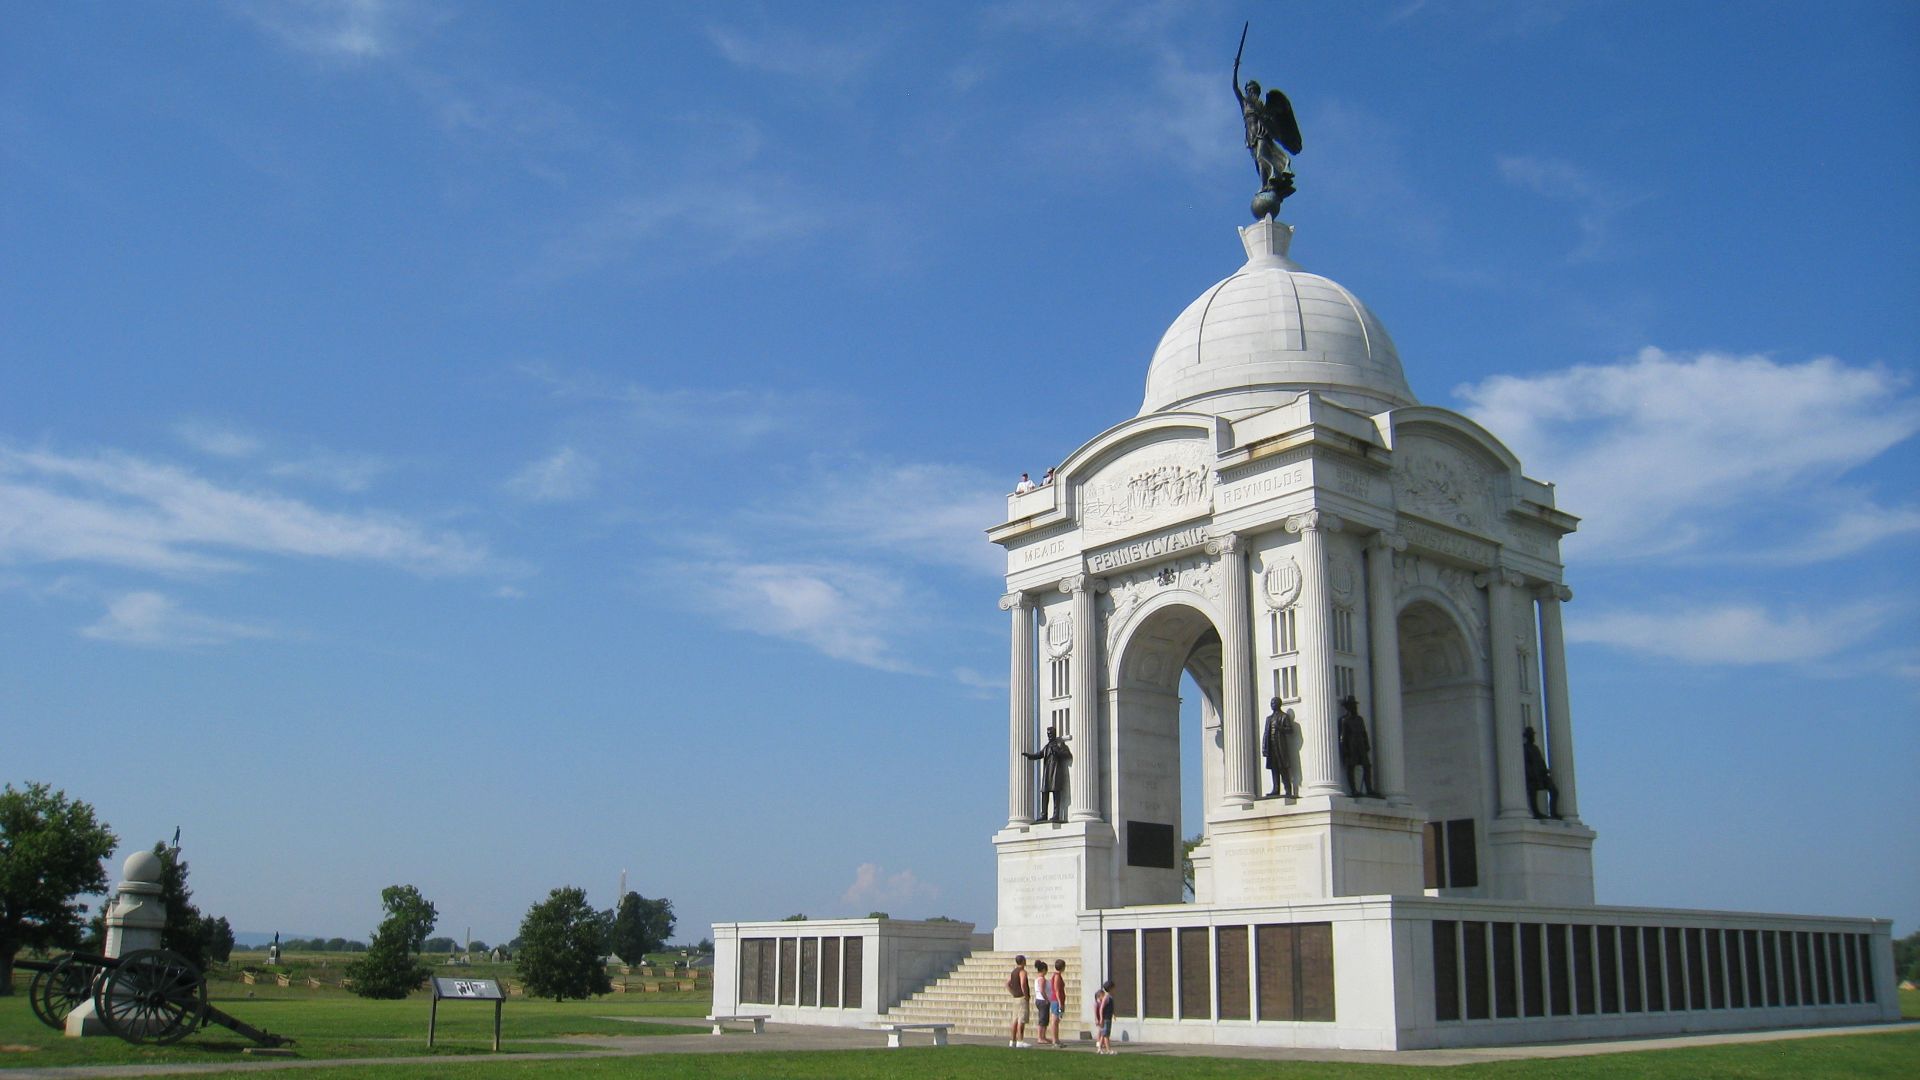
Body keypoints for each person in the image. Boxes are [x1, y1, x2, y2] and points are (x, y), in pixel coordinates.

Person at [1023, 726, 1073, 823]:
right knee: (1044, 792)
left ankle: (1056, 814)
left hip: (1055, 772)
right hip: (1047, 772)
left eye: (1050, 734)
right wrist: (1030, 756)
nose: (1049, 736)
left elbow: (1067, 755)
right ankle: (1044, 814)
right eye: (1048, 734)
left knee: (1055, 793)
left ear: (1054, 734)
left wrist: (1057, 751)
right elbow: (1040, 754)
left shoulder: (1059, 744)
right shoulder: (1047, 746)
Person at [1337, 695, 1379, 798]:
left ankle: (1369, 789)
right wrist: (1345, 750)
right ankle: (1354, 790)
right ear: (1348, 707)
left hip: (1360, 744)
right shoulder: (1344, 720)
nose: (1355, 708)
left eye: (1355, 705)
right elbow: (1343, 736)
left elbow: (1364, 733)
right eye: (1352, 706)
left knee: (1367, 766)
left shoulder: (1359, 719)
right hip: (1352, 745)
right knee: (1351, 767)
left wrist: (1367, 744)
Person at [1523, 726, 1562, 820]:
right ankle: (1536, 813)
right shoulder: (1525, 748)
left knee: (1554, 791)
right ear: (1528, 736)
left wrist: (1545, 770)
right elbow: (1527, 764)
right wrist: (1531, 775)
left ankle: (1553, 813)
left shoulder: (1535, 748)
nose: (1533, 737)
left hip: (1542, 775)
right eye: (1532, 735)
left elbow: (1540, 761)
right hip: (1533, 776)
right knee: (1532, 792)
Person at [1261, 697, 1298, 798]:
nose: (1272, 704)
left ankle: (1288, 789)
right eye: (1271, 703)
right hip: (1271, 746)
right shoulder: (1269, 718)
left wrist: (1280, 728)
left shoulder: (1284, 716)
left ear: (1279, 704)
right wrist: (1264, 748)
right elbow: (1265, 734)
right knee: (1274, 768)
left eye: (1274, 703)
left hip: (1280, 746)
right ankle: (1275, 788)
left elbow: (1290, 730)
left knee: (1283, 767)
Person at [1006, 954, 1031, 1047]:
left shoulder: (1013, 972)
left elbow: (1007, 984)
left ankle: (1012, 1040)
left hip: (1015, 997)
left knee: (1015, 1020)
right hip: (1021, 998)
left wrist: (1012, 992)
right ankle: (1020, 1040)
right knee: (1021, 1019)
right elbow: (1023, 983)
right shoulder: (1022, 971)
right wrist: (1026, 995)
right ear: (1023, 961)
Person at [1030, 961, 1052, 1045]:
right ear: (1043, 970)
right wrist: (1046, 999)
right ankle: (1040, 1037)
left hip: (1041, 1000)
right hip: (1042, 1001)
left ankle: (1043, 1036)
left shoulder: (1038, 979)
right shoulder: (1041, 979)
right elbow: (1042, 990)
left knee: (1045, 1019)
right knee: (1042, 1019)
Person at [1047, 959, 1068, 1046]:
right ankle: (1054, 1040)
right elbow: (1057, 990)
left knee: (1057, 1019)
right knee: (1055, 1020)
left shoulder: (1058, 976)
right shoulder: (1057, 977)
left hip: (1057, 1001)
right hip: (1056, 1001)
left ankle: (1056, 1039)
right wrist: (1060, 1003)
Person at [1094, 979, 1117, 1054]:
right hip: (1106, 1018)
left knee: (1104, 1034)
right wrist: (1101, 1018)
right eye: (1113, 988)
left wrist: (1113, 1014)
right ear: (1110, 988)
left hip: (1108, 1018)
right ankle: (1108, 1049)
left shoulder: (1109, 997)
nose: (1115, 990)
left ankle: (1099, 1048)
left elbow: (1111, 1007)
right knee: (1106, 1035)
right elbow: (1101, 1008)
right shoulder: (1106, 997)